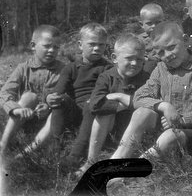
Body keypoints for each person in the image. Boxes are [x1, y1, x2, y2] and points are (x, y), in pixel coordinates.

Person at [107, 21, 192, 162]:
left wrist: (181, 119)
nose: (167, 55)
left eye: (171, 47)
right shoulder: (161, 68)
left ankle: (133, 168)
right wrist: (163, 106)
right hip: (163, 127)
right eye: (160, 52)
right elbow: (139, 96)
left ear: (185, 40)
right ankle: (116, 160)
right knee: (141, 112)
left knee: (171, 135)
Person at [74, 34, 151, 177]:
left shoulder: (145, 78)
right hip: (111, 128)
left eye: (139, 59)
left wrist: (119, 96)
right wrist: (125, 104)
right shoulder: (106, 77)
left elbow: (148, 103)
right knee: (104, 113)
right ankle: (91, 161)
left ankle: (117, 162)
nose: (134, 63)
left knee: (139, 111)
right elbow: (94, 105)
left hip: (134, 129)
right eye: (129, 58)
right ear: (115, 58)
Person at [50, 22, 112, 168]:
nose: (97, 48)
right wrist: (51, 97)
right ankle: (54, 148)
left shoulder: (108, 68)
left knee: (93, 103)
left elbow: (110, 91)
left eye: (101, 45)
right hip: (75, 113)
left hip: (95, 114)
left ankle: (75, 155)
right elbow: (58, 90)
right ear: (80, 45)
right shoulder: (71, 68)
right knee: (60, 99)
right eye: (92, 44)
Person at [0, 25, 65, 159]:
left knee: (58, 107)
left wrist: (48, 106)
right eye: (47, 46)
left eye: (56, 47)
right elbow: (4, 93)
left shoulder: (63, 70)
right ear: (33, 45)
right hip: (23, 118)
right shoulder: (23, 68)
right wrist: (16, 109)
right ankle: (3, 146)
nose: (52, 50)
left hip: (49, 122)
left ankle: (25, 154)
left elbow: (69, 95)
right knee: (29, 96)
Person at [138, 3, 165, 72]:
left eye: (158, 22)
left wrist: (149, 58)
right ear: (142, 25)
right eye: (149, 23)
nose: (154, 26)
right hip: (142, 69)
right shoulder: (138, 40)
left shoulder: (166, 38)